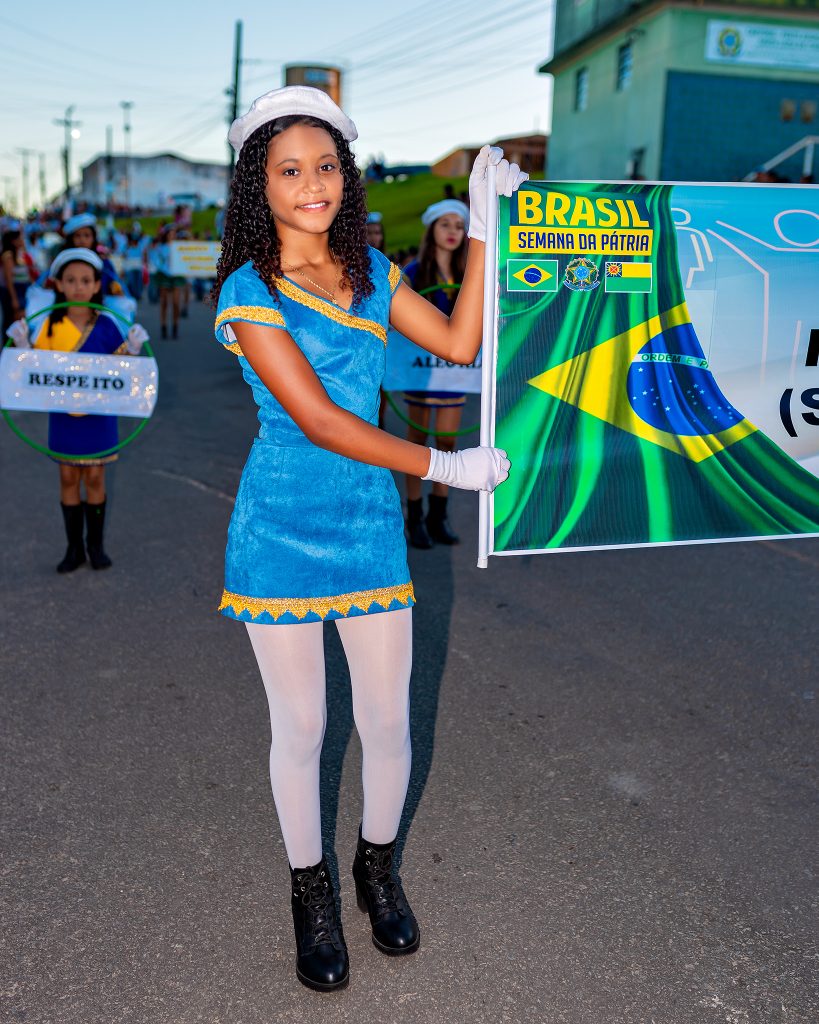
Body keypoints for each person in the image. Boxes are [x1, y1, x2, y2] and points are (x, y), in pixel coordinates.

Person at [212, 84, 524, 993]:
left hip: (366, 525)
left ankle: (375, 870)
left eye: (326, 166)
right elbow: (318, 420)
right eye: (289, 170)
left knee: (387, 720)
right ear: (258, 186)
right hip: (279, 525)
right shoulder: (247, 290)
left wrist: (485, 222)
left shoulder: (374, 271)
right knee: (302, 726)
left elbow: (461, 343)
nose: (313, 184)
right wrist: (444, 466)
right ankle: (309, 893)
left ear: (348, 176)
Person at [6, 248, 148, 572]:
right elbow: (36, 369)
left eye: (86, 280)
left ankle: (95, 546)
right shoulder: (50, 326)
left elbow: (121, 369)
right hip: (64, 415)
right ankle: (73, 549)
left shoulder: (108, 324)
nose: (78, 287)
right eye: (70, 280)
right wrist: (24, 347)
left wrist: (133, 349)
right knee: (68, 476)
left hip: (99, 415)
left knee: (96, 476)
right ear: (58, 284)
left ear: (97, 285)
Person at [401, 199, 470, 548]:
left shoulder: (469, 274)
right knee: (418, 441)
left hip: (454, 372)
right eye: (445, 224)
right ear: (431, 229)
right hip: (422, 370)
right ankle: (415, 515)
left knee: (447, 442)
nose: (452, 232)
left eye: (459, 226)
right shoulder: (413, 273)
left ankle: (438, 514)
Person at [1, 226, 37, 339]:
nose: (22, 240)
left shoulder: (20, 254)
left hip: (23, 289)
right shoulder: (8, 255)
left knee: (21, 319)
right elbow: (9, 279)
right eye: (19, 238)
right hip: (15, 290)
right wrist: (14, 298)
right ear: (13, 241)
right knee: (12, 320)